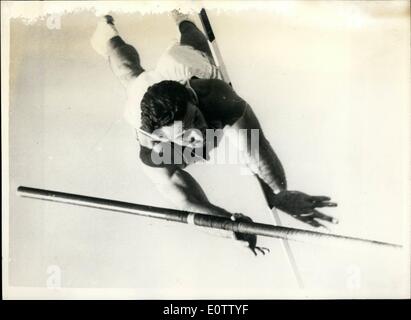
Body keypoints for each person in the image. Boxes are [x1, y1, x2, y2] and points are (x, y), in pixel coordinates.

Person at [90, 12, 338, 255]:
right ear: (164, 139)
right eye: (186, 136)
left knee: (195, 44)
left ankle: (181, 14)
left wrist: (279, 192)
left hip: (181, 67)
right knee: (129, 73)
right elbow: (189, 201)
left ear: (193, 97)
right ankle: (107, 30)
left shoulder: (214, 94)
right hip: (144, 104)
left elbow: (254, 146)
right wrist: (228, 225)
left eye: (196, 119)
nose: (200, 135)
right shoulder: (156, 150)